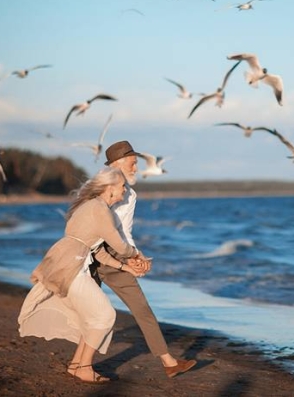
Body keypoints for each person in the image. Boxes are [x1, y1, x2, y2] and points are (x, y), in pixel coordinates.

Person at [17, 166, 142, 384]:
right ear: (110, 188)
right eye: (122, 186)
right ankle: (84, 367)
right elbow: (119, 246)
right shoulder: (99, 209)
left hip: (71, 263)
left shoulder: (92, 206)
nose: (124, 190)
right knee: (104, 316)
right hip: (71, 266)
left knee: (93, 317)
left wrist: (126, 267)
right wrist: (136, 255)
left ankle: (77, 365)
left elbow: (98, 251)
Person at [93, 140, 197, 379]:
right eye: (132, 163)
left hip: (115, 253)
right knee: (90, 312)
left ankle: (168, 362)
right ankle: (80, 364)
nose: (136, 168)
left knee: (139, 308)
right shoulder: (98, 188)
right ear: (116, 164)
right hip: (92, 253)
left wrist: (136, 255)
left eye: (136, 163)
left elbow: (124, 231)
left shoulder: (130, 194)